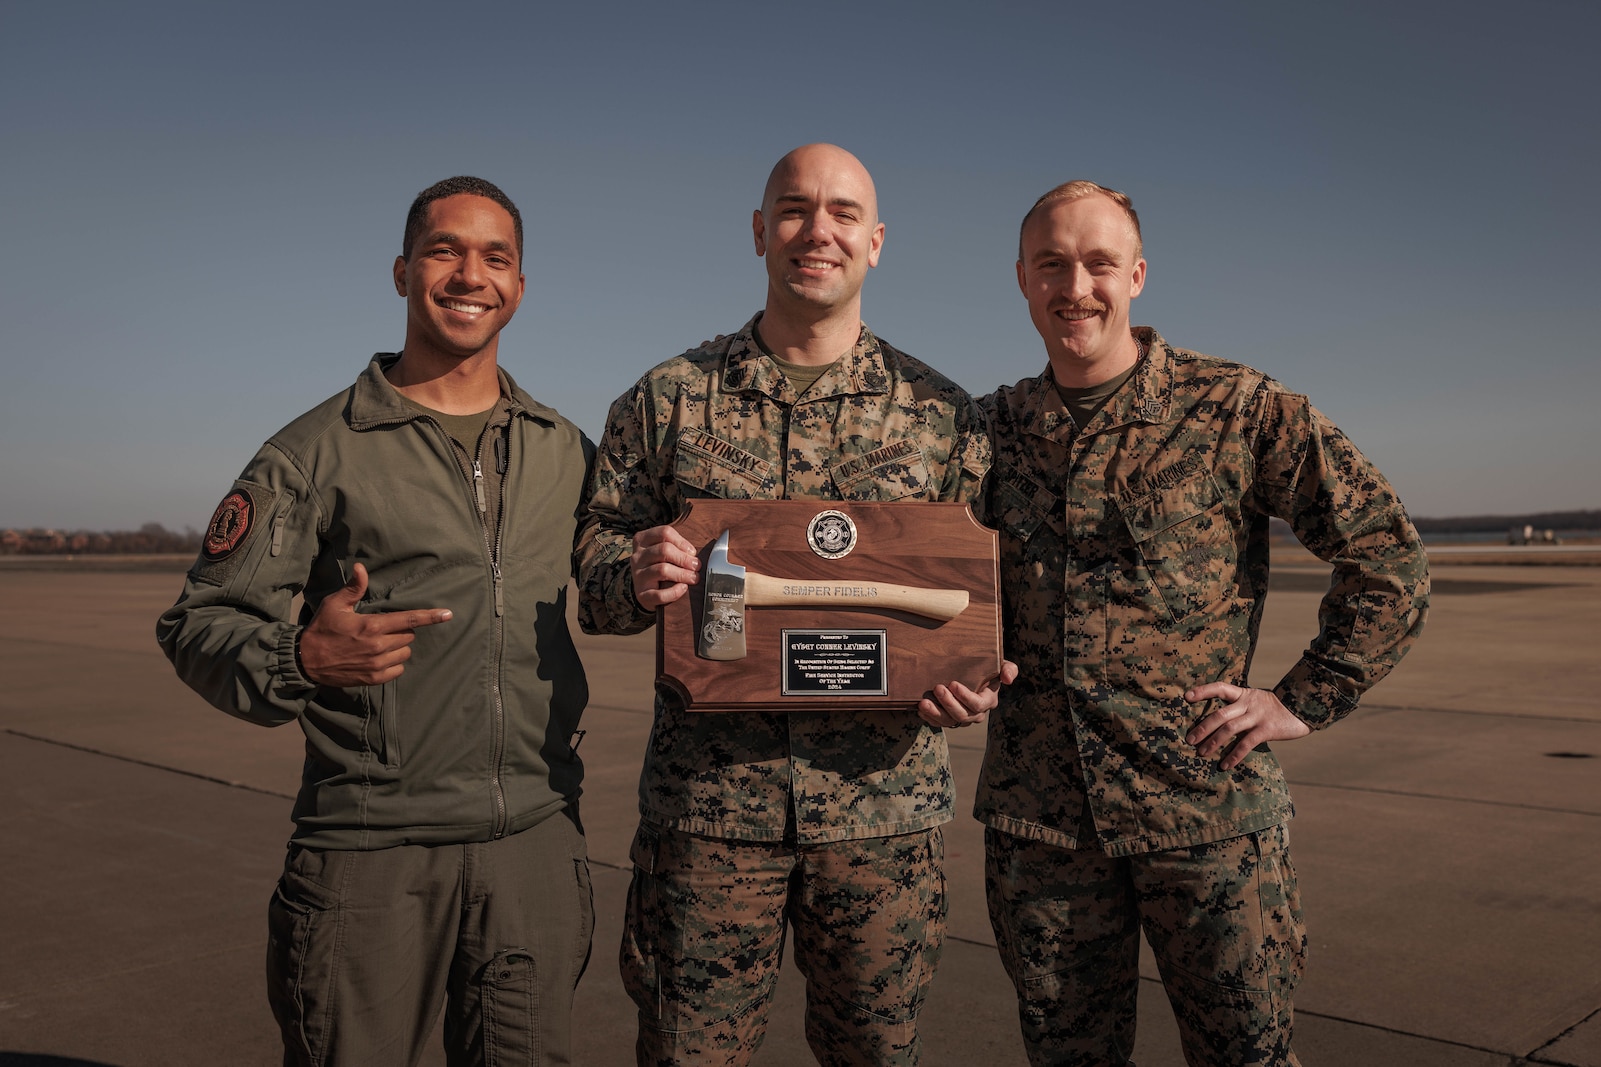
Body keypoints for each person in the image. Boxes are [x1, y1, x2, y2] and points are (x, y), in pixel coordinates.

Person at [978, 181, 1429, 1066]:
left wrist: (1302, 698)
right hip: (1043, 832)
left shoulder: (1234, 407)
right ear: (1023, 281)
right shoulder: (987, 430)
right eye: (1052, 264)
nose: (1077, 286)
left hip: (1206, 818)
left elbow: (1388, 556)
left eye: (1099, 263)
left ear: (1136, 274)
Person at [576, 143, 1006, 1066]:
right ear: (759, 231)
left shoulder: (947, 418)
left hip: (882, 818)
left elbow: (980, 602)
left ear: (876, 241)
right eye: (795, 209)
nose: (819, 231)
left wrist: (975, 682)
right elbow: (594, 582)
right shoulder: (667, 402)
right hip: (707, 821)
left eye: (843, 212)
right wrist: (632, 572)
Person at [156, 176, 595, 1067]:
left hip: (534, 850)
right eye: (444, 250)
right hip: (370, 853)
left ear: (519, 286)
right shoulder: (315, 451)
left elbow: (644, 573)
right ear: (402, 273)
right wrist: (299, 655)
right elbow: (198, 620)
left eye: (495, 257)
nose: (470, 274)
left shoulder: (565, 449)